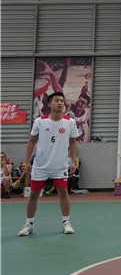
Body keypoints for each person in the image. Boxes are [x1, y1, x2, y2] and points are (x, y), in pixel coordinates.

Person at [18, 92, 78, 236]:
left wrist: (73, 160)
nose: (60, 103)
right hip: (40, 166)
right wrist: (27, 161)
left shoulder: (70, 122)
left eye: (62, 101)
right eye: (57, 100)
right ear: (49, 104)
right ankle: (29, 224)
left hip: (60, 166)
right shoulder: (40, 121)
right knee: (33, 194)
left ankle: (66, 222)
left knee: (63, 192)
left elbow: (73, 142)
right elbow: (31, 141)